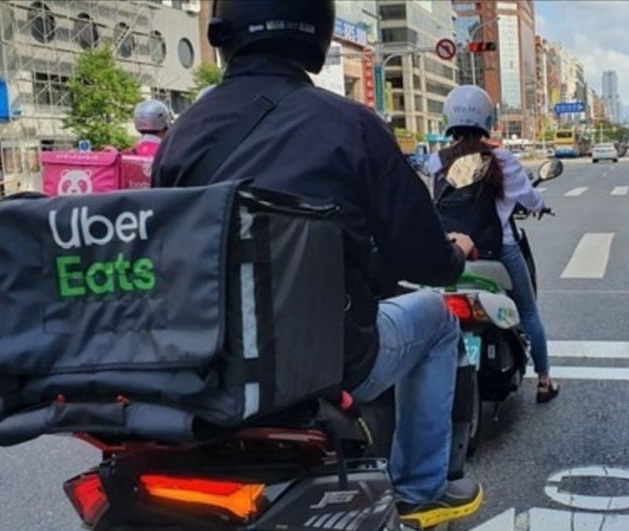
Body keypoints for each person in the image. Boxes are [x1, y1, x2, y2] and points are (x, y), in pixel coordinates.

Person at [150, 1, 484, 527]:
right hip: (326, 364)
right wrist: (456, 252)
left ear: (221, 33)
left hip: (204, 360)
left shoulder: (182, 133)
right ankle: (422, 488)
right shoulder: (352, 125)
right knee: (440, 320)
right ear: (319, 33)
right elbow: (421, 258)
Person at [426, 85, 560, 403]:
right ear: (487, 118)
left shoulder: (436, 161)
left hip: (451, 251)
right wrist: (540, 206)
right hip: (497, 252)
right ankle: (543, 380)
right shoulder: (502, 160)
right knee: (528, 312)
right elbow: (529, 197)